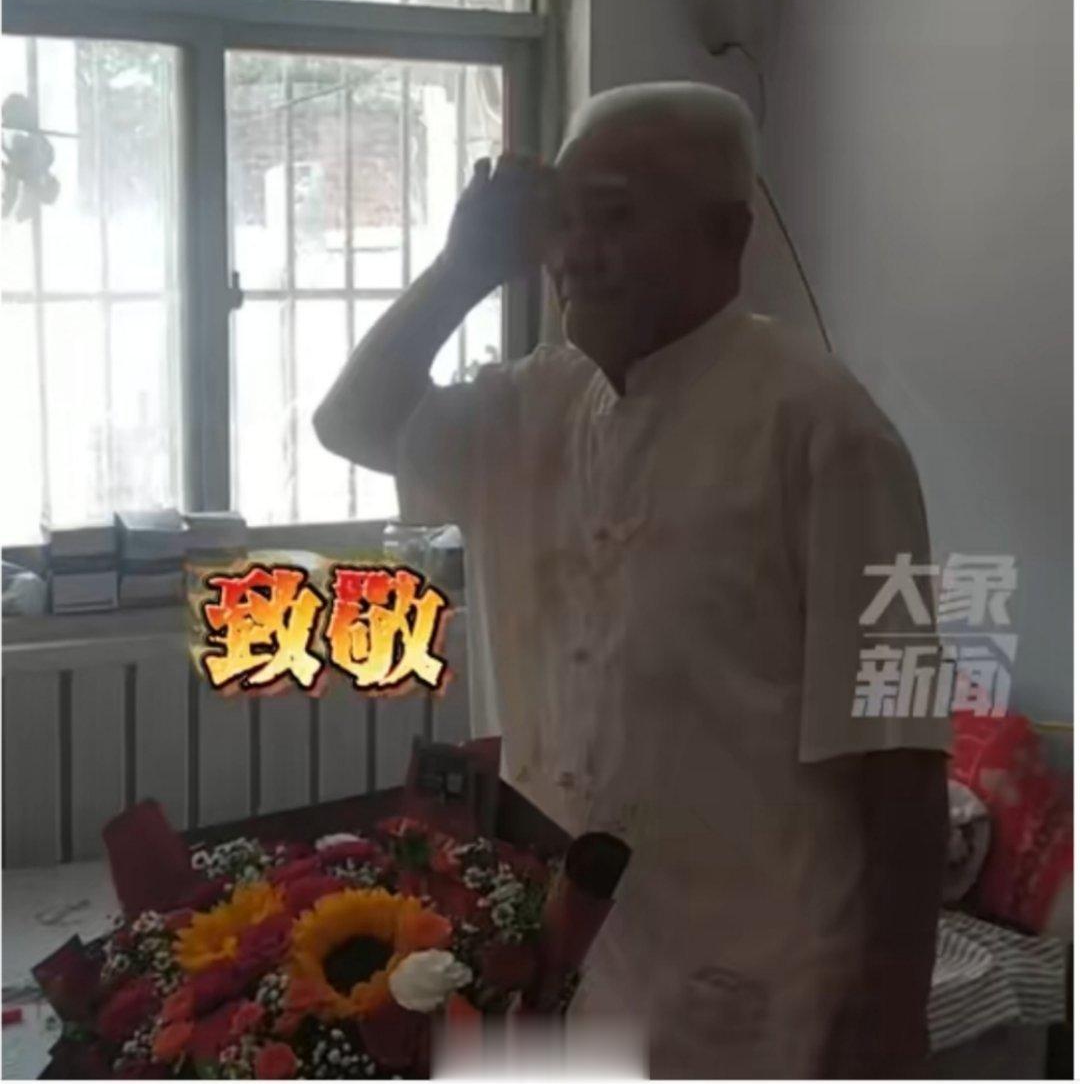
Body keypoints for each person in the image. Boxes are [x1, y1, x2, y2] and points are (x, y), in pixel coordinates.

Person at [314, 82, 950, 1077]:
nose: (575, 250)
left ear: (726, 235)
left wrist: (895, 1008)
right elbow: (349, 420)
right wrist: (461, 268)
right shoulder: (531, 403)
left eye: (613, 216)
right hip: (549, 957)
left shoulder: (832, 432)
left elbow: (902, 747)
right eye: (562, 219)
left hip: (750, 988)